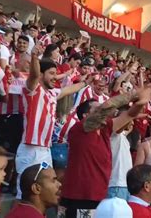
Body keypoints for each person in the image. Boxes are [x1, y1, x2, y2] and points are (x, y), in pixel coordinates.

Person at [60, 86, 151, 218]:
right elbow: (105, 108)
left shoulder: (105, 129)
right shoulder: (80, 129)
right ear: (85, 116)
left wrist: (141, 102)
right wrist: (134, 94)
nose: (105, 112)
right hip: (78, 197)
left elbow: (129, 115)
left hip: (98, 197)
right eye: (96, 108)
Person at [15, 46, 90, 199]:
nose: (55, 77)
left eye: (56, 73)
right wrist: (35, 57)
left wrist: (85, 83)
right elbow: (33, 75)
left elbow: (69, 90)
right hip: (31, 151)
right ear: (41, 74)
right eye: (51, 73)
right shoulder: (32, 89)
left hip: (45, 152)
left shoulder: (52, 93)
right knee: (25, 192)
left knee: (43, 192)